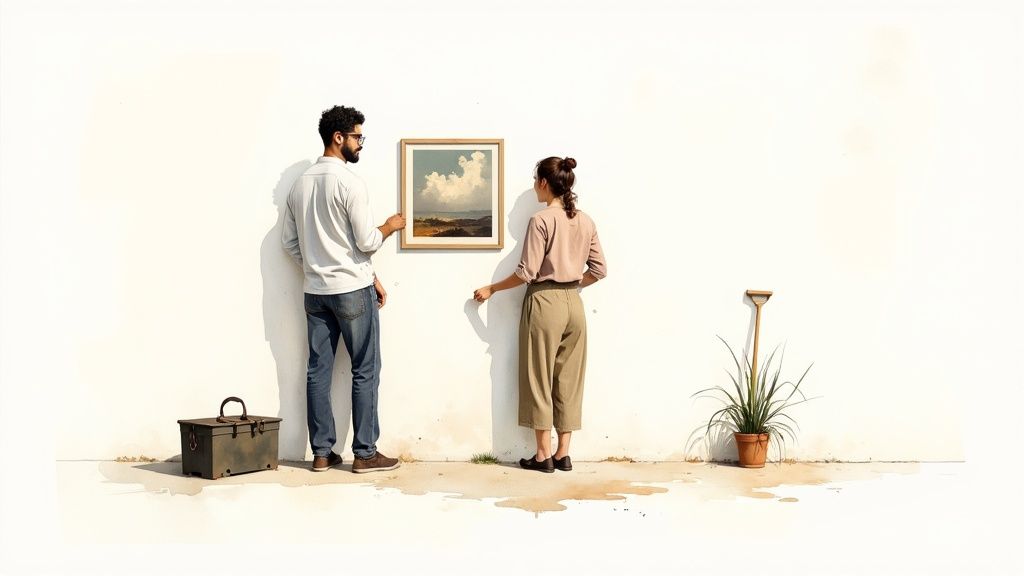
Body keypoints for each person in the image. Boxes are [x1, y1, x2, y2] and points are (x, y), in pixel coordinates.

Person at [282, 105, 406, 473]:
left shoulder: (299, 184)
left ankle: (322, 453)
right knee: (365, 369)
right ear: (339, 138)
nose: (361, 143)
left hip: (315, 292)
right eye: (357, 137)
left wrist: (318, 267)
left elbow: (290, 243)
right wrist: (390, 225)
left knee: (317, 371)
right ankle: (365, 454)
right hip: (352, 291)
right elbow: (366, 242)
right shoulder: (350, 183)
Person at [473, 156, 607, 473]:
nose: (535, 186)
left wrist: (492, 288)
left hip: (545, 302)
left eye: (535, 181)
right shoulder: (586, 221)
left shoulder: (541, 220)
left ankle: (543, 454)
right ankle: (563, 454)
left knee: (538, 377)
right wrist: (573, 282)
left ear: (544, 183)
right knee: (568, 380)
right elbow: (599, 270)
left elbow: (526, 272)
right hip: (574, 305)